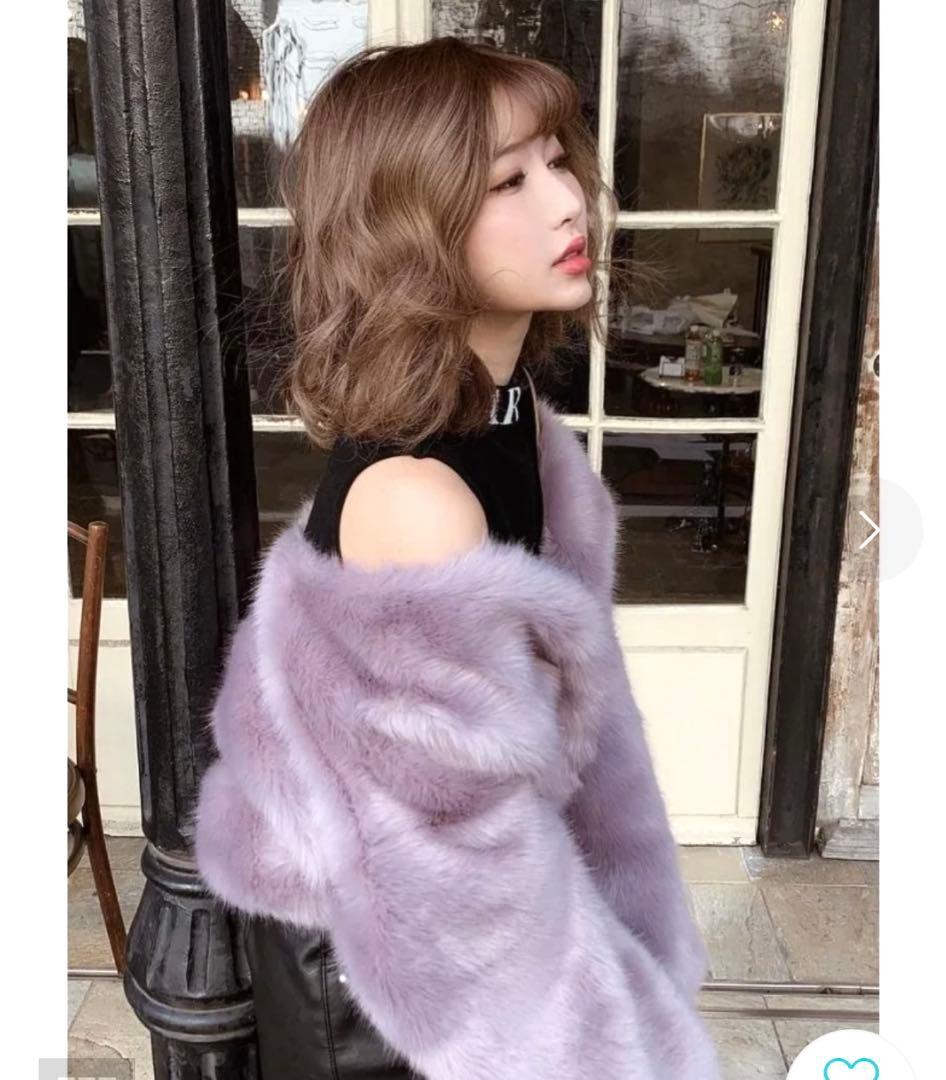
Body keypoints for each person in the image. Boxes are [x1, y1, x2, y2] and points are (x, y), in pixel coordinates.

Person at [194, 35, 722, 1080]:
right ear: (407, 228)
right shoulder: (418, 499)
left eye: (558, 162)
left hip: (438, 953)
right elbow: (470, 907)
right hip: (397, 1003)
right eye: (506, 182)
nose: (568, 204)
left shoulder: (510, 426)